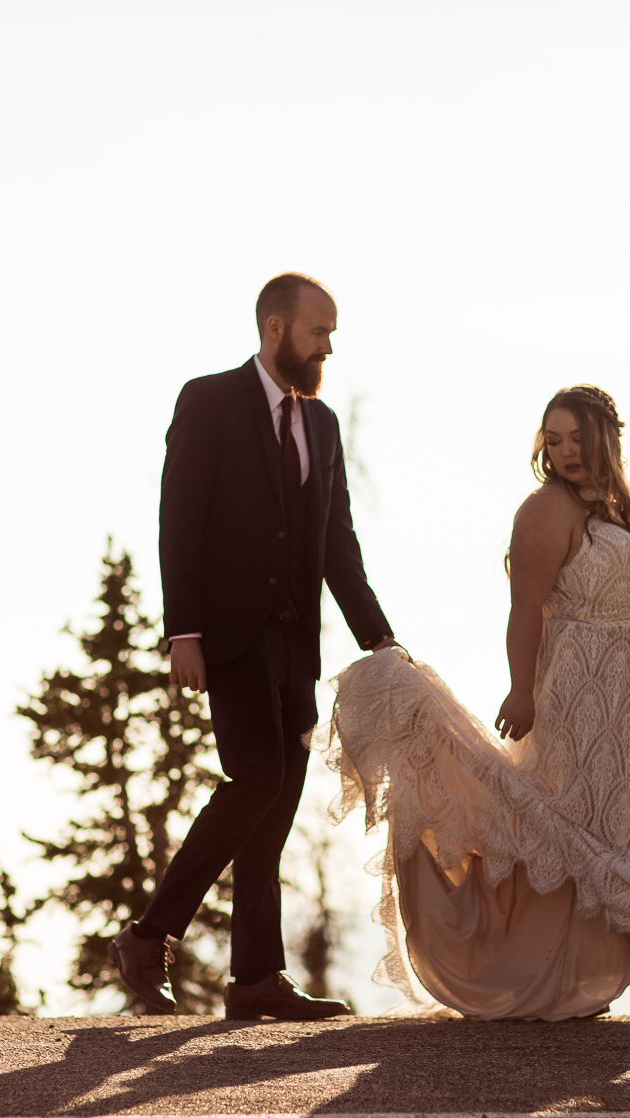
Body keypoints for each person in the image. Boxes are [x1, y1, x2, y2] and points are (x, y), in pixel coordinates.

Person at [317, 385, 630, 1019]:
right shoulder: (545, 509)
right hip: (582, 695)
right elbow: (524, 609)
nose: (564, 452)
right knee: (580, 831)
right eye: (552, 439)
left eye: (576, 438)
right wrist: (522, 689)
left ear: (607, 438)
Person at [111, 273, 398, 1020]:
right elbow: (180, 519)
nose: (327, 346)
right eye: (318, 332)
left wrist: (380, 640)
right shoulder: (207, 401)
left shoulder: (324, 425)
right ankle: (149, 935)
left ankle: (255, 979)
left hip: (295, 646)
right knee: (255, 782)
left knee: (272, 812)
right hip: (229, 638)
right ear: (276, 328)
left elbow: (338, 544)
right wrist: (185, 633)